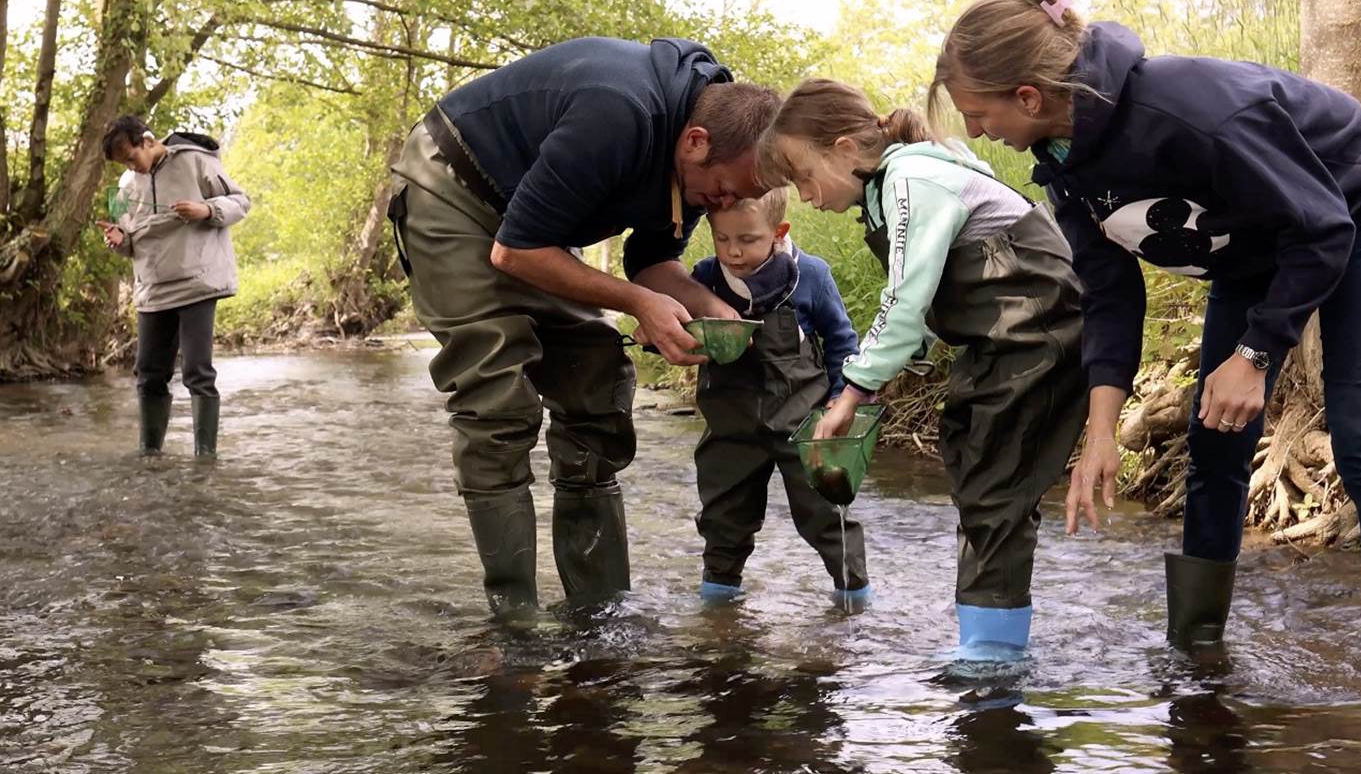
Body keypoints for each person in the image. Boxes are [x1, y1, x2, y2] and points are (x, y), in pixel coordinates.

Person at [928, 0, 1361, 694]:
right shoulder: (1064, 164)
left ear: (1030, 95)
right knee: (1215, 439)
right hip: (1251, 250)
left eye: (978, 113)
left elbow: (1324, 226)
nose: (978, 130)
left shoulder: (1190, 110)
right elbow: (1109, 296)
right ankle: (1197, 660)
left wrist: (1257, 353)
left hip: (1358, 212)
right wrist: (1100, 433)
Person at [386, 37, 779, 616]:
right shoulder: (618, 112)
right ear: (696, 144)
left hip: (530, 224)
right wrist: (641, 305)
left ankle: (599, 616)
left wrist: (710, 307)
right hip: (453, 188)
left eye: (739, 199)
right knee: (497, 400)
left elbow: (651, 263)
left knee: (598, 385)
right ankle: (514, 623)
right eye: (724, 191)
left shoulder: (705, 151)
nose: (723, 205)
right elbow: (515, 252)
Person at [760, 79, 1086, 656]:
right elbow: (929, 299)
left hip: (1037, 333)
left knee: (994, 487)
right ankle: (987, 639)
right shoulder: (892, 186)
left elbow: (905, 299)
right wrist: (884, 374)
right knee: (968, 458)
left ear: (842, 150)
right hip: (1004, 341)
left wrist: (849, 396)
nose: (806, 196)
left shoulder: (911, 180)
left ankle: (992, 658)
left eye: (804, 175)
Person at [688, 188, 869, 608]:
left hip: (804, 425)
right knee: (723, 516)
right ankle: (716, 607)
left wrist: (840, 401)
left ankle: (855, 602)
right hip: (729, 425)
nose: (733, 252)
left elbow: (843, 342)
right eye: (722, 239)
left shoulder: (812, 275)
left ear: (778, 231)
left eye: (747, 240)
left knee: (827, 513)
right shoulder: (705, 277)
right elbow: (679, 328)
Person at [98, 116, 251, 459]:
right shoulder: (125, 184)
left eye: (131, 157)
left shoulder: (197, 161)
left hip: (197, 282)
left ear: (148, 141)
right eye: (123, 162)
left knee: (197, 371)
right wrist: (118, 238)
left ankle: (204, 460)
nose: (130, 167)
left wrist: (205, 209)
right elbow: (127, 237)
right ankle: (149, 456)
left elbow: (241, 202)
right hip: (152, 287)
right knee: (149, 374)